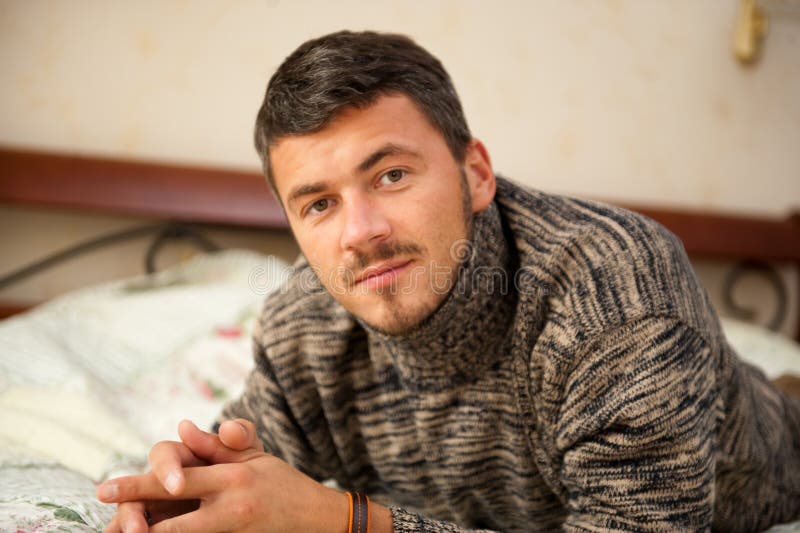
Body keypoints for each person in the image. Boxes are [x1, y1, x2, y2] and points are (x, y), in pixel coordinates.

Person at [97, 30, 800, 532]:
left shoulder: (617, 298)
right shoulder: (302, 328)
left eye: (391, 174)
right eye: (319, 203)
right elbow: (253, 472)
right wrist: (183, 492)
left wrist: (347, 521)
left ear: (476, 173)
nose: (360, 231)